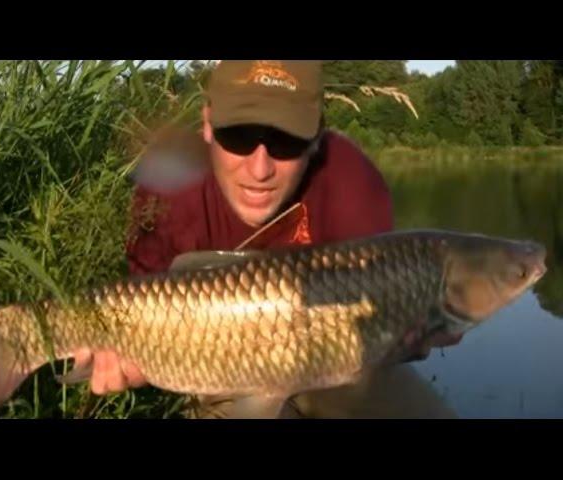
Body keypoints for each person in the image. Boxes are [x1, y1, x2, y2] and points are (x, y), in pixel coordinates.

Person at [70, 60, 461, 417]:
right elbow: (139, 311)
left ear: (316, 136)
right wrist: (134, 357)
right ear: (208, 123)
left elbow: (375, 329)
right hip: (215, 366)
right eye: (239, 137)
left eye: (286, 141)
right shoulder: (167, 189)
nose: (260, 170)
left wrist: (407, 332)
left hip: (333, 367)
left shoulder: (352, 183)